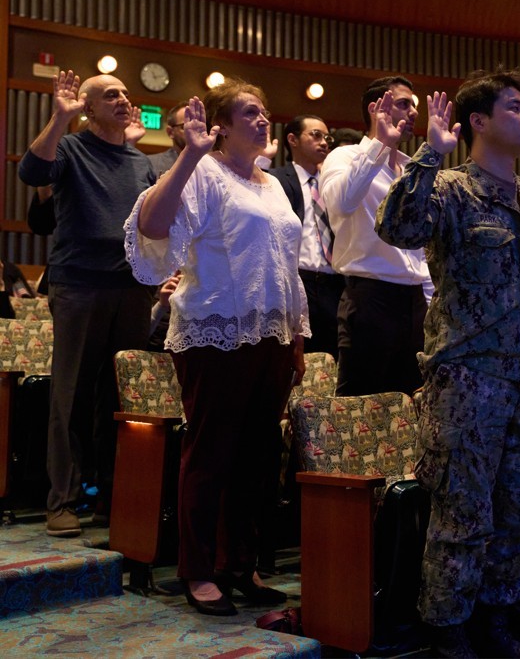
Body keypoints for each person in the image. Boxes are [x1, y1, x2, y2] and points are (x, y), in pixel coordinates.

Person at [376, 70, 520, 657]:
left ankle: (496, 617)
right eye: (515, 107)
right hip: (468, 380)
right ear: (478, 122)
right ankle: (448, 628)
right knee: (462, 515)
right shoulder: (448, 190)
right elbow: (397, 226)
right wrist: (427, 154)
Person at [124, 84, 310, 617]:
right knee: (211, 455)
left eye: (266, 111)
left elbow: (287, 267)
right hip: (214, 333)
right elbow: (154, 228)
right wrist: (189, 154)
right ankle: (199, 570)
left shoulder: (272, 184)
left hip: (271, 337)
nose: (263, 119)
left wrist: (295, 336)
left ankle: (239, 563)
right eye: (251, 111)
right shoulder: (203, 171)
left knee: (257, 457)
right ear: (222, 126)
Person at [18, 70, 154, 538]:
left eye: (124, 92)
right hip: (79, 285)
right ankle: (63, 500)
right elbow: (31, 173)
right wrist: (60, 119)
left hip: (133, 288)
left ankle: (114, 498)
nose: (122, 99)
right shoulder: (71, 148)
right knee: (70, 394)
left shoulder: (141, 162)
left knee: (123, 401)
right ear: (89, 107)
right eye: (109, 94)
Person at [320, 76, 431, 396]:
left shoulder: (412, 167)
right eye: (403, 103)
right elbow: (341, 204)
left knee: (411, 400)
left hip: (415, 300)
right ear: (375, 109)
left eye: (414, 106)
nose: (413, 112)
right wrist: (379, 146)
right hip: (371, 297)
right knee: (361, 399)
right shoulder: (344, 156)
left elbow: (421, 246)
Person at [268, 115, 345, 356]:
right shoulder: (276, 179)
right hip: (297, 278)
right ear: (292, 139)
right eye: (316, 135)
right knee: (293, 354)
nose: (324, 143)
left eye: (327, 138)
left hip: (335, 281)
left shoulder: (335, 182)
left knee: (333, 356)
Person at [149, 102, 188, 177]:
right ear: (170, 132)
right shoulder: (152, 164)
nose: (192, 131)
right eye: (185, 127)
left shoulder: (211, 163)